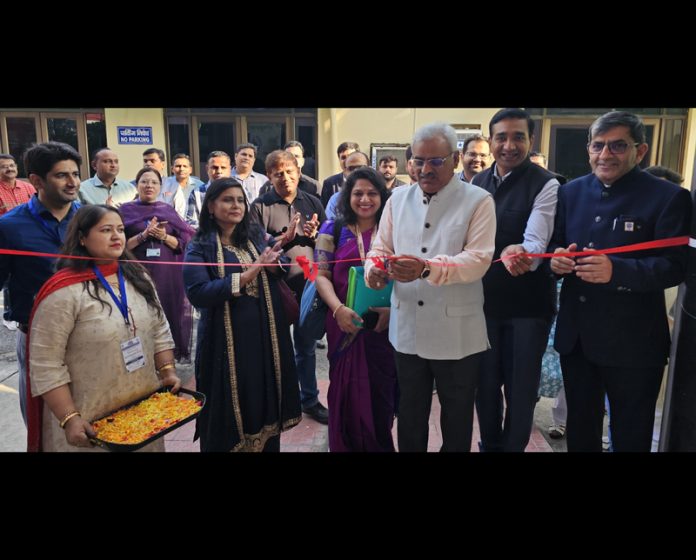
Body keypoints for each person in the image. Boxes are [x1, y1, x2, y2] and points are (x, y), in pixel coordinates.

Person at [549, 111, 692, 452]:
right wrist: (555, 262)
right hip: (578, 337)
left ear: (640, 151)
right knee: (580, 429)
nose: (605, 155)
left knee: (630, 432)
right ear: (588, 149)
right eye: (598, 146)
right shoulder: (571, 192)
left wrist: (619, 271)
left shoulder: (668, 196)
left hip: (634, 341)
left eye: (618, 146)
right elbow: (552, 245)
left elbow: (676, 266)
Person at [365, 122, 496, 452]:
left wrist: (427, 269)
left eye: (435, 161)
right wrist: (374, 270)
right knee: (409, 413)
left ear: (454, 159)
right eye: (417, 160)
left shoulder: (478, 201)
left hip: (457, 333)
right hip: (407, 326)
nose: (425, 169)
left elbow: (478, 260)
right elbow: (380, 247)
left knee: (456, 418)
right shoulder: (397, 199)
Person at [26, 205, 180, 452]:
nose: (117, 236)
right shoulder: (64, 292)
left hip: (144, 411)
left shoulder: (138, 277)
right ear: (82, 238)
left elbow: (160, 329)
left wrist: (168, 372)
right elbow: (46, 364)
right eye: (106, 230)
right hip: (90, 423)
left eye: (120, 229)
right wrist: (69, 418)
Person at [183, 178, 301, 451]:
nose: (236, 205)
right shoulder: (199, 246)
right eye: (227, 199)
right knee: (229, 411)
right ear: (211, 207)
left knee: (264, 400)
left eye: (239, 200)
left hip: (265, 341)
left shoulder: (254, 236)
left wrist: (274, 261)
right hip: (225, 348)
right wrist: (250, 273)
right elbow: (198, 292)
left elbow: (280, 263)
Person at [471, 108, 560, 452]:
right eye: (501, 137)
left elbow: (536, 242)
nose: (509, 145)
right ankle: (490, 446)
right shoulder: (476, 183)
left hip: (528, 308)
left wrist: (521, 252)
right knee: (486, 385)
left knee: (521, 390)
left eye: (518, 137)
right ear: (490, 140)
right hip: (482, 305)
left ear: (530, 140)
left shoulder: (547, 183)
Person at [0, 141, 82, 425]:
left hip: (89, 333)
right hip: (38, 337)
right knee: (44, 421)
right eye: (62, 175)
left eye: (75, 174)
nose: (73, 183)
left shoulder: (89, 219)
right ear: (36, 180)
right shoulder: (10, 227)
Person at [314, 167, 396, 451]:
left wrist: (393, 312)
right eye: (358, 193)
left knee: (380, 396)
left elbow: (403, 278)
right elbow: (320, 276)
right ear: (347, 196)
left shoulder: (394, 232)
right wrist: (337, 310)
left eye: (372, 193)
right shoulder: (332, 229)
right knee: (345, 393)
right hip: (343, 323)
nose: (365, 199)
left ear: (382, 197)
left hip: (383, 327)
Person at [252, 150, 328, 424]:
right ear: (269, 176)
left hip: (308, 284)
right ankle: (279, 400)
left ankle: (309, 400)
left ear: (298, 172)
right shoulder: (259, 206)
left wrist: (315, 235)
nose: (285, 178)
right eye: (278, 173)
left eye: (289, 171)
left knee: (306, 346)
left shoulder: (313, 202)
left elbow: (326, 245)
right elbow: (256, 250)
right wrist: (284, 239)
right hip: (275, 287)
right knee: (275, 347)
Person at [120, 167, 196, 362]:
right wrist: (143, 235)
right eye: (144, 181)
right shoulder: (125, 211)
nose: (149, 186)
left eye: (154, 182)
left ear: (160, 187)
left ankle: (167, 360)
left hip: (167, 273)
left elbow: (183, 242)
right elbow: (120, 246)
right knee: (140, 315)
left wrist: (163, 236)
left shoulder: (166, 210)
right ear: (136, 185)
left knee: (167, 311)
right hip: (136, 274)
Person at [0, 153, 37, 330]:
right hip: (6, 241)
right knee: (9, 278)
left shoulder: (28, 187)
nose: (9, 169)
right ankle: (9, 313)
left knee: (25, 276)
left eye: (12, 165)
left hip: (30, 238)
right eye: (4, 166)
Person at [186, 151, 232, 228]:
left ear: (229, 169)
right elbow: (191, 223)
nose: (219, 171)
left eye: (223, 167)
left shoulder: (239, 191)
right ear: (207, 168)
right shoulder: (196, 193)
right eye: (214, 167)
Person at [326, 151, 371, 220]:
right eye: (351, 168)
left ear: (369, 169)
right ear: (345, 171)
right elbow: (330, 227)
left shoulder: (378, 197)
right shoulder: (335, 200)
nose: (356, 171)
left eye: (360, 167)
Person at [159, 153, 203, 219]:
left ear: (190, 170)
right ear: (172, 169)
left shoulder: (199, 185)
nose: (181, 169)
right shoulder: (164, 184)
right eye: (178, 166)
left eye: (185, 166)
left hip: (193, 225)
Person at [321, 141, 360, 208]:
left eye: (351, 156)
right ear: (339, 160)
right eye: (343, 157)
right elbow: (325, 214)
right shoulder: (329, 184)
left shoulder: (369, 182)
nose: (347, 161)